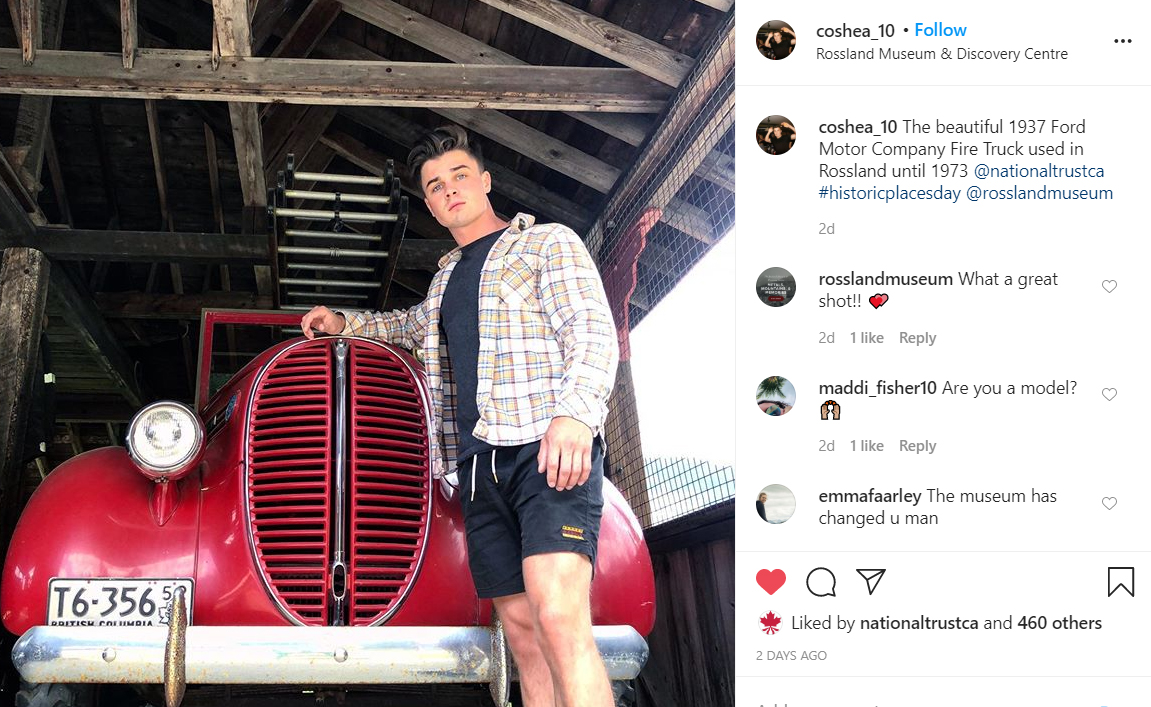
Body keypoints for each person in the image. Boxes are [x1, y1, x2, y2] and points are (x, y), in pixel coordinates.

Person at [300, 125, 620, 707]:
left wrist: (576, 416)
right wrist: (346, 323)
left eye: (460, 176)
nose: (449, 190)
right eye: (435, 185)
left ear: (486, 182)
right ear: (428, 202)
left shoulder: (547, 243)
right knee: (520, 633)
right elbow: (408, 327)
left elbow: (591, 329)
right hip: (477, 466)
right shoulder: (446, 278)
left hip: (544, 449)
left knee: (559, 615)